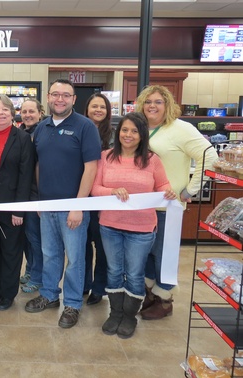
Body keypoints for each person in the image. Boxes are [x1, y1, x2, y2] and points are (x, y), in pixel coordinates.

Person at [91, 112, 177, 338]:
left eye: (134, 131)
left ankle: (129, 316)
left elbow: (163, 184)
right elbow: (95, 189)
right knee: (113, 271)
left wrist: (167, 191)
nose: (128, 135)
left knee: (135, 274)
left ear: (142, 135)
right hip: (110, 225)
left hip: (142, 229)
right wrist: (112, 191)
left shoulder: (152, 160)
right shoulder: (106, 157)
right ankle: (115, 313)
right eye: (125, 130)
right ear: (118, 133)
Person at [135, 85, 218, 320]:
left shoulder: (181, 129)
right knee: (148, 254)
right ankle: (151, 293)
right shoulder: (142, 128)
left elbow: (210, 157)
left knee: (164, 255)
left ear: (168, 105)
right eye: (148, 101)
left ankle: (165, 298)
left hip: (166, 207)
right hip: (143, 206)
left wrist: (189, 190)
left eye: (158, 101)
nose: (152, 105)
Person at [25, 79, 101, 329]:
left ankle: (72, 304)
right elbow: (39, 165)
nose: (60, 99)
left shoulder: (85, 126)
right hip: (47, 206)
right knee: (50, 254)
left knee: (76, 259)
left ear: (73, 99)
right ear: (48, 97)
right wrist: (39, 200)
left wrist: (78, 205)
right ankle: (49, 295)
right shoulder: (42, 127)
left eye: (65, 95)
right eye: (56, 94)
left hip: (74, 208)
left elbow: (91, 168)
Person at [0, 95, 35, 310]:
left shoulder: (22, 139)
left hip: (11, 208)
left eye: (5, 109)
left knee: (11, 251)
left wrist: (18, 210)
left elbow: (25, 175)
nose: (0, 113)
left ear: (12, 113)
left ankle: (8, 294)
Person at [83, 93, 113, 306]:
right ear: (87, 109)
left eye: (102, 107)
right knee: (82, 245)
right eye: (94, 106)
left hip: (104, 198)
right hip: (84, 195)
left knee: (103, 247)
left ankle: (98, 287)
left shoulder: (114, 134)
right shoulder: (80, 129)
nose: (98, 110)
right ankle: (84, 283)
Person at [18, 98, 44, 294]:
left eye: (31, 111)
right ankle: (30, 269)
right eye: (24, 111)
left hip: (37, 194)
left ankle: (38, 277)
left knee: (35, 238)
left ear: (40, 113)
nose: (27, 114)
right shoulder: (22, 133)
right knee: (27, 237)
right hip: (24, 193)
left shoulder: (42, 133)